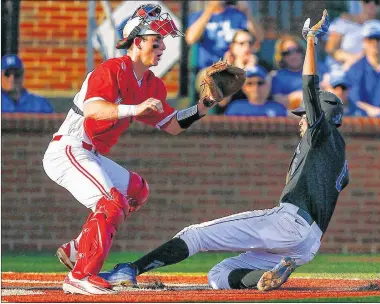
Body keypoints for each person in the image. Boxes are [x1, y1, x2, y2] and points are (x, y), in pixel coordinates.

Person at [98, 10, 349, 292]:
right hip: (308, 244)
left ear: (323, 115)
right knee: (220, 275)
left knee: (194, 236)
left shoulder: (321, 133)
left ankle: (130, 269)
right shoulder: (339, 154)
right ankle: (267, 277)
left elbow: (309, 87)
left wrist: (312, 42)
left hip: (288, 222)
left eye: (305, 114)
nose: (301, 119)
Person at [42, 4, 217, 295]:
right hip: (69, 149)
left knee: (137, 190)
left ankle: (78, 249)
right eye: (156, 41)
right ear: (137, 42)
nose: (162, 47)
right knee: (112, 203)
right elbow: (93, 109)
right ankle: (81, 275)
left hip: (90, 153)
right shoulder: (111, 69)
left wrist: (203, 106)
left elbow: (172, 125)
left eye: (162, 42)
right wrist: (134, 108)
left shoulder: (150, 83)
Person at [185, 0, 263, 72]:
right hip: (207, 68)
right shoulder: (198, 16)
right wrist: (210, 10)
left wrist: (247, 12)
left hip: (232, 67)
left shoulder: (237, 15)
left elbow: (259, 37)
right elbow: (190, 38)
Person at [325, 0, 380, 72]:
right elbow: (330, 49)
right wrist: (353, 59)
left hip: (369, 73)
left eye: (377, 2)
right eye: (367, 1)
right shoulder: (344, 21)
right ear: (361, 2)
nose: (371, 4)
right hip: (340, 71)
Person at [270, 35, 305, 110]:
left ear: (303, 52)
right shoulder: (277, 77)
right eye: (287, 53)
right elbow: (278, 100)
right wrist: (298, 96)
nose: (293, 56)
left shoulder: (318, 69)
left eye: (297, 50)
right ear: (281, 56)